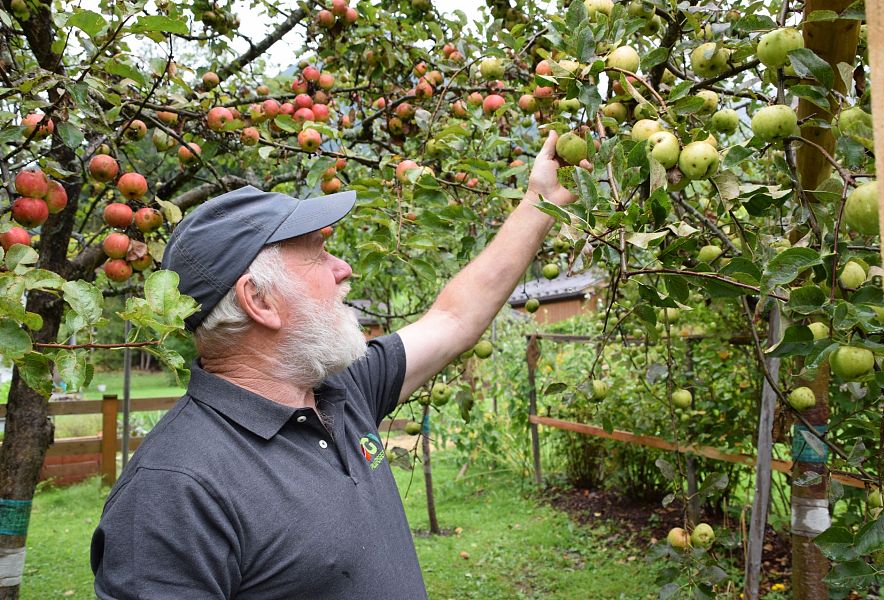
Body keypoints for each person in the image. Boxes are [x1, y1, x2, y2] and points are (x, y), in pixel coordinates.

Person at [90, 131, 589, 598]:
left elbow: (455, 318)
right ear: (259, 301)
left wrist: (541, 202)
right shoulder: (172, 491)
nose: (343, 268)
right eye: (318, 253)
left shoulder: (343, 391)